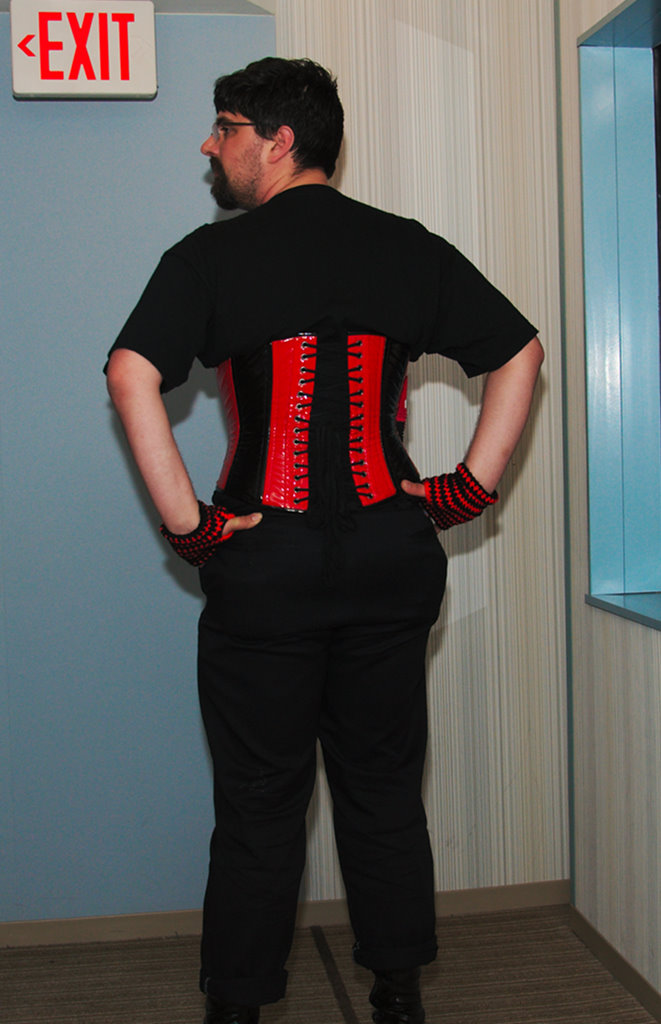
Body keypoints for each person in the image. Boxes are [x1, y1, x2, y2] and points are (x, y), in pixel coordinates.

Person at [105, 57, 543, 1024]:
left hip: (267, 564)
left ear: (278, 141)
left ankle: (238, 1006)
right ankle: (397, 995)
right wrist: (465, 491)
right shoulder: (405, 246)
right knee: (382, 787)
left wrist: (192, 529)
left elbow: (130, 374)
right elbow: (521, 353)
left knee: (260, 799)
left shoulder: (211, 257)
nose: (209, 145)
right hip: (391, 559)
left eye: (224, 126)